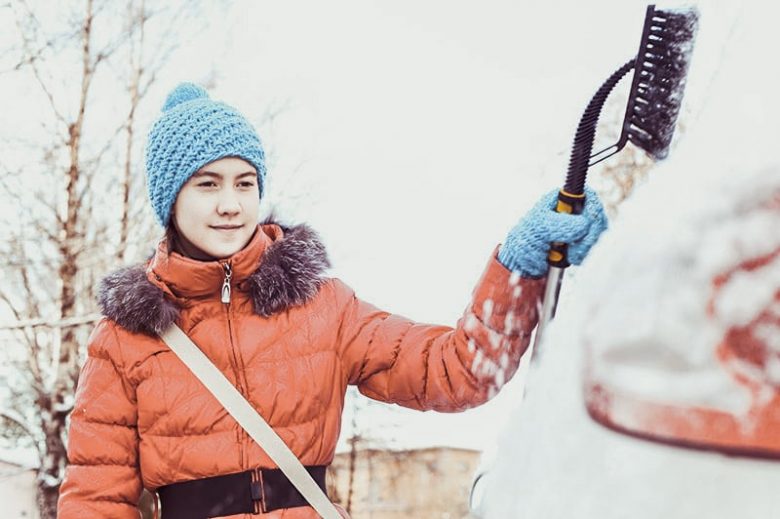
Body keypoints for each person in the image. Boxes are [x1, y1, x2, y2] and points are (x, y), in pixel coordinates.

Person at [56, 82, 607, 519]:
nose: (230, 204)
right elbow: (94, 501)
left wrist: (517, 268)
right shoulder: (125, 340)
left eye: (244, 183)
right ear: (170, 199)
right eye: (207, 184)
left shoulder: (321, 307)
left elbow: (458, 371)